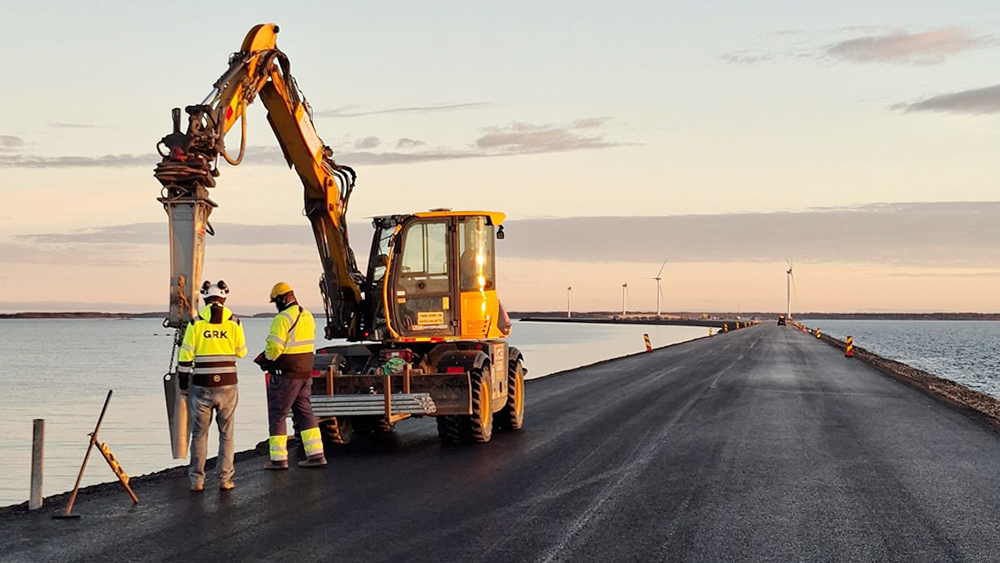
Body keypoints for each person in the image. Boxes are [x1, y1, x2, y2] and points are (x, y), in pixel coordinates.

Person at [177, 280, 247, 492]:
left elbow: (185, 356)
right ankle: (225, 480)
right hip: (228, 385)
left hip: (202, 385)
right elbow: (241, 351)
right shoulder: (234, 323)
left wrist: (182, 384)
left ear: (205, 299)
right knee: (226, 434)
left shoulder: (195, 323)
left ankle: (197, 481)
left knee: (199, 433)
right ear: (224, 298)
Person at [257, 282, 327, 469]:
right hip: (304, 373)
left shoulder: (282, 319)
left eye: (276, 301)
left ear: (283, 298)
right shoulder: (308, 316)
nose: (276, 305)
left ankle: (279, 460)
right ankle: (316, 455)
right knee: (305, 412)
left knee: (278, 414)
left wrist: (266, 359)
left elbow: (274, 349)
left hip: (286, 375)